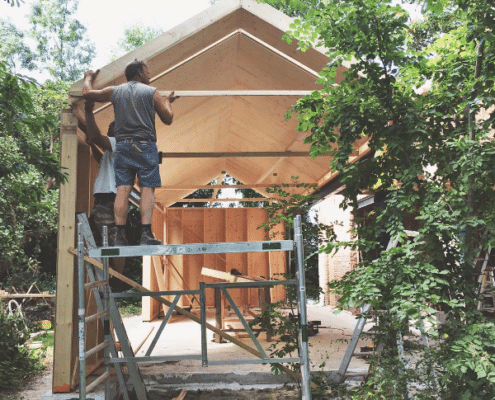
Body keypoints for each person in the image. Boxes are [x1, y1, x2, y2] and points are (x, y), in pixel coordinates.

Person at [82, 59, 178, 246]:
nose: (149, 74)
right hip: (145, 145)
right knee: (147, 190)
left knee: (122, 190)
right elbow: (168, 118)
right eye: (147, 71)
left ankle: (119, 235)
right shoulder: (151, 92)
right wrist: (167, 101)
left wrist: (88, 77)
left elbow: (87, 94)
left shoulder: (114, 91)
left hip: (123, 146)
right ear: (139, 73)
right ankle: (145, 234)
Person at [84, 99, 126, 291]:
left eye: (112, 127)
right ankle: (114, 279)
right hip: (109, 198)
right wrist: (92, 145)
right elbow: (101, 158)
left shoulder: (120, 143)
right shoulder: (115, 151)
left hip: (108, 199)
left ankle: (114, 281)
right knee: (110, 238)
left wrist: (87, 110)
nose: (109, 128)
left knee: (110, 240)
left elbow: (96, 135)